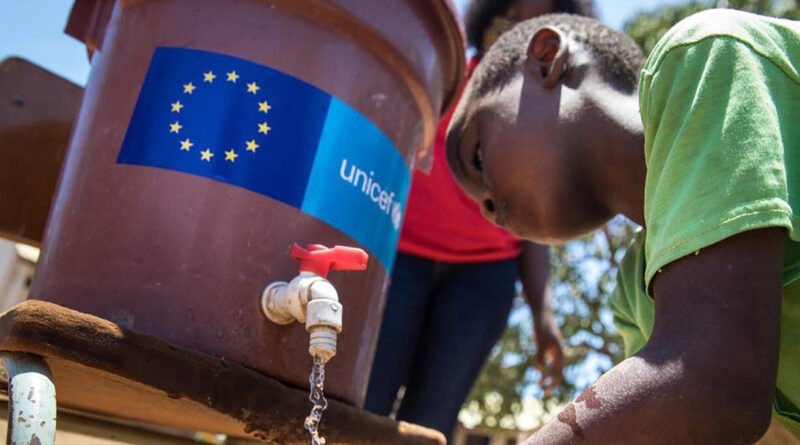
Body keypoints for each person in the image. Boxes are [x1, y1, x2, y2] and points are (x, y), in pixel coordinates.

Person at [446, 9, 799, 444]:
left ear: (547, 58)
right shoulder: (635, 293)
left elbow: (711, 383)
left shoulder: (708, 55)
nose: (487, 208)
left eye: (477, 156)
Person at [364, 1, 594, 440]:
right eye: (513, 19)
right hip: (399, 259)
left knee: (429, 424)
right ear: (490, 20)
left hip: (482, 280)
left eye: (545, 24)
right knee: (362, 405)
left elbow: (535, 220)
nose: (526, 33)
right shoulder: (446, 75)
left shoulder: (551, 118)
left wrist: (543, 316)